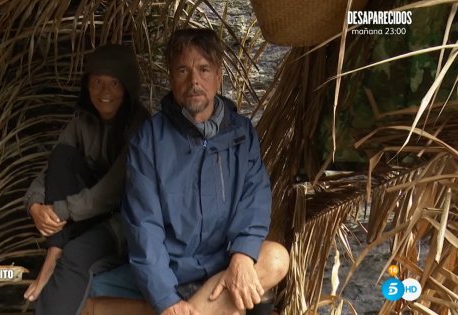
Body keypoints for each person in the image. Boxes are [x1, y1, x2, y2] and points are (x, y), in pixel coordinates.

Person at [121, 28, 290, 315]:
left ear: (218, 75)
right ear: (171, 77)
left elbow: (255, 198)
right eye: (183, 71)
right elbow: (143, 226)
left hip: (224, 265)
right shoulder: (149, 140)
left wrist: (241, 255)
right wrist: (166, 299)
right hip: (174, 271)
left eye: (203, 69)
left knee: (275, 258)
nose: (194, 81)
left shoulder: (241, 133)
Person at [22, 44, 149, 315]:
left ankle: (56, 255)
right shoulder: (82, 121)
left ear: (127, 86)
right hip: (88, 213)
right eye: (97, 82)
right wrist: (34, 207)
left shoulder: (142, 127)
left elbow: (110, 192)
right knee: (62, 157)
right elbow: (51, 171)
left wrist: (56, 212)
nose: (105, 92)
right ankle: (54, 251)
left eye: (115, 83)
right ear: (87, 85)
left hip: (127, 222)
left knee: (76, 254)